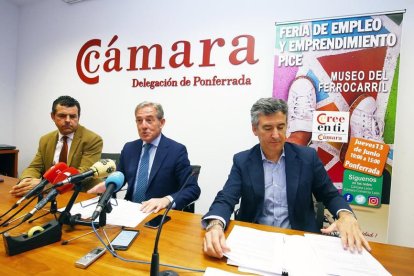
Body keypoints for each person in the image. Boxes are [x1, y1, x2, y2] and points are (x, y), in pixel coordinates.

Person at [202, 97, 370, 259]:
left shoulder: (307, 158)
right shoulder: (242, 161)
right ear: (254, 129)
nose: (276, 135)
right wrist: (215, 225)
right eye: (268, 128)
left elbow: (330, 195)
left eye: (281, 127)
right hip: (255, 242)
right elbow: (226, 198)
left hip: (299, 240)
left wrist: (346, 216)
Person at [88, 101, 201, 214]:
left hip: (158, 213)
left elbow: (192, 189)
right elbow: (120, 177)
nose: (143, 126)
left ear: (161, 123)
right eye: (139, 120)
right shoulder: (129, 148)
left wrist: (166, 200)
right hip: (129, 210)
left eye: (149, 120)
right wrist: (108, 185)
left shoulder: (176, 151)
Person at [10, 95, 103, 197]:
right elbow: (35, 167)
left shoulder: (92, 139)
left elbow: (84, 173)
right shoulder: (45, 139)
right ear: (53, 117)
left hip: (79, 192)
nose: (68, 120)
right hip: (49, 194)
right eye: (62, 116)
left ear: (78, 117)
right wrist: (27, 181)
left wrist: (45, 185)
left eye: (72, 116)